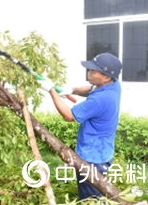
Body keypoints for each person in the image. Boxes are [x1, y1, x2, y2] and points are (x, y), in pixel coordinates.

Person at [38, 53, 122, 201]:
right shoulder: (113, 85)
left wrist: (52, 91)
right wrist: (72, 90)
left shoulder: (100, 99)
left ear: (106, 77)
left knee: (91, 198)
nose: (88, 73)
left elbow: (69, 116)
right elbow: (91, 88)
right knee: (98, 191)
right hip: (103, 151)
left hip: (93, 157)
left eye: (93, 71)